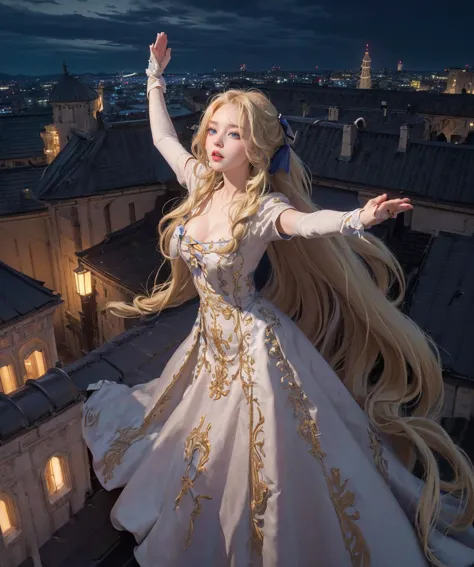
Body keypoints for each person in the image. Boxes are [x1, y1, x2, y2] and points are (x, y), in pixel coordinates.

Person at [82, 32, 474, 567]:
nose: (216, 142)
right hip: (209, 343)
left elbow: (308, 224)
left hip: (253, 346)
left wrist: (360, 218)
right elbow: (163, 139)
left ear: (258, 148)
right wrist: (154, 78)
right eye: (214, 129)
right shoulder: (200, 182)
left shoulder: (261, 208)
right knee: (198, 434)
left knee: (268, 449)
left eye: (233, 134)